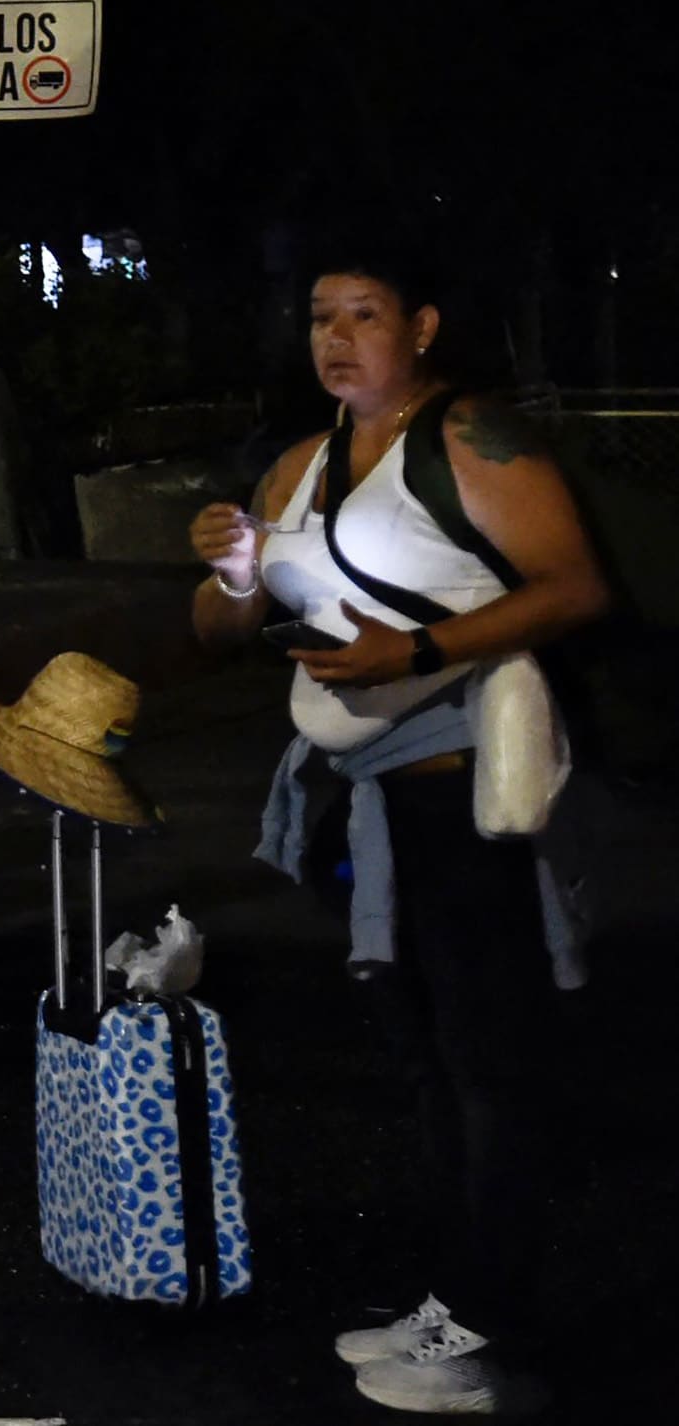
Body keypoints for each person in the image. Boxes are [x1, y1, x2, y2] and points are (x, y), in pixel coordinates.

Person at [189, 245, 608, 1417]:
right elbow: (218, 627)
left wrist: (412, 653)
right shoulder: (300, 464)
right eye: (320, 314)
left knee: (488, 1063)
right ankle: (454, 1296)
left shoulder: (469, 441)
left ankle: (489, 1328)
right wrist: (229, 571)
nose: (334, 335)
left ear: (420, 326)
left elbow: (573, 586)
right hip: (360, 802)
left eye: (362, 312)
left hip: (464, 790)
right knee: (425, 1056)